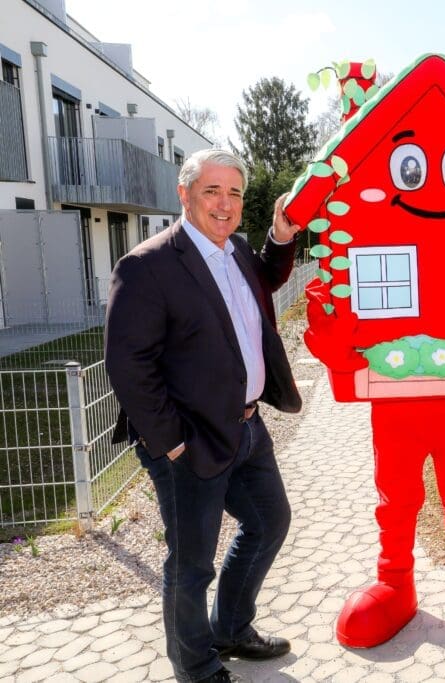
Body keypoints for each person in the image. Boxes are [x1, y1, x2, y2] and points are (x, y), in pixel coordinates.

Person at [105, 149, 303, 683]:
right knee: (191, 564)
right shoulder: (148, 266)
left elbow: (265, 279)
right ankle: (195, 665)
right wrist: (171, 443)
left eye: (234, 192)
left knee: (268, 522)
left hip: (246, 427)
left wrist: (280, 234)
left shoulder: (235, 250)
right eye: (212, 190)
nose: (225, 203)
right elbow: (128, 365)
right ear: (184, 194)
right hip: (189, 441)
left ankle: (231, 628)